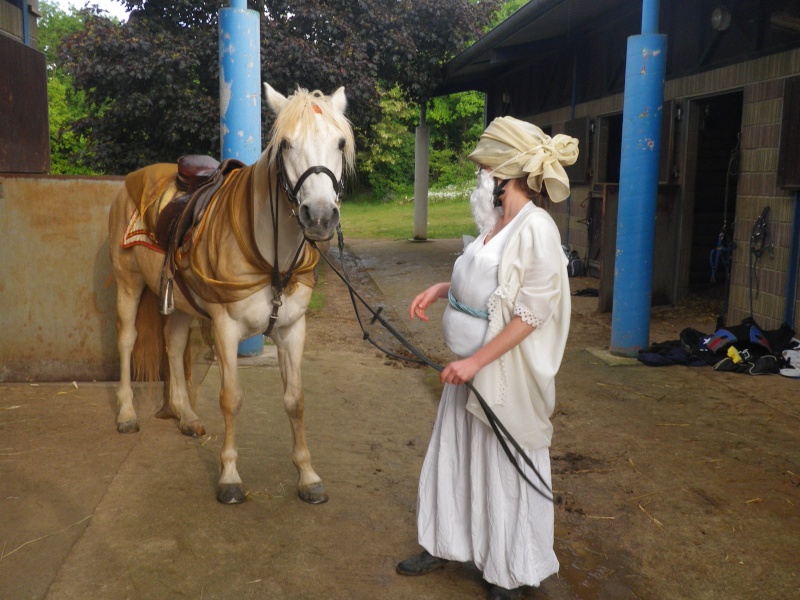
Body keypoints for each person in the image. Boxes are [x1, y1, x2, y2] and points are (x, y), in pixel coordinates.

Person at [396, 116, 579, 600]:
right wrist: (442, 289)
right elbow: (484, 284)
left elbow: (531, 314)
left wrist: (476, 363)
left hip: (500, 380)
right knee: (454, 459)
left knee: (502, 469)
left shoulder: (536, 228)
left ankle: (509, 570)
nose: (481, 175)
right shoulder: (498, 224)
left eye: (487, 167)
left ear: (506, 173)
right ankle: (445, 541)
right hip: (468, 375)